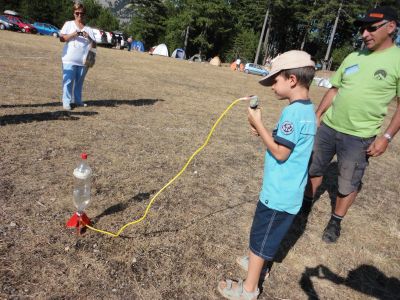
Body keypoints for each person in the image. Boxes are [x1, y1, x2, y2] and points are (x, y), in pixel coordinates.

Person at [218, 50, 316, 300]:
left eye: (275, 80)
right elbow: (286, 143)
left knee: (261, 236)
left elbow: (281, 153)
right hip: (289, 192)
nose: (272, 85)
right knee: (268, 234)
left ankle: (249, 288)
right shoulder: (307, 111)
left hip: (278, 193)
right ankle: (257, 260)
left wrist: (259, 125)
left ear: (292, 80)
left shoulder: (293, 113)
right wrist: (263, 132)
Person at [304, 6, 400, 243]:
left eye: (371, 28)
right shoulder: (352, 57)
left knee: (348, 182)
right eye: (362, 29)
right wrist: (318, 115)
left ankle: (336, 221)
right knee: (314, 168)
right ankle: (305, 205)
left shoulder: (397, 60)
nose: (364, 34)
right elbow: (335, 89)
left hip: (360, 136)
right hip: (328, 127)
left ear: (391, 27)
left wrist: (386, 138)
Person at [60, 2, 96, 110]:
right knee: (68, 81)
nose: (79, 15)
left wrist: (89, 37)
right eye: (77, 13)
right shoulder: (68, 24)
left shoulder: (88, 29)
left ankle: (78, 100)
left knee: (79, 82)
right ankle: (66, 102)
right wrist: (73, 34)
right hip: (69, 59)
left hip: (83, 61)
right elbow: (61, 39)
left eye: (82, 13)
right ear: (74, 13)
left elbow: (94, 45)